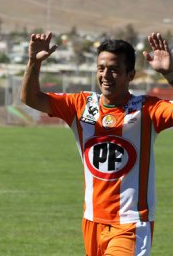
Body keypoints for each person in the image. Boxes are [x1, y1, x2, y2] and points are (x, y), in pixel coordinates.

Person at [21, 31, 173, 255]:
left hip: (131, 223)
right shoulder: (81, 105)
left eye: (114, 70)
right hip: (92, 221)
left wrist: (170, 73)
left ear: (130, 75)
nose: (106, 75)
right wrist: (34, 62)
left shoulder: (147, 109)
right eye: (101, 68)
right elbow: (31, 98)